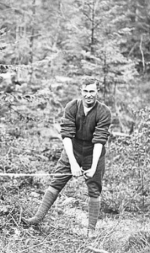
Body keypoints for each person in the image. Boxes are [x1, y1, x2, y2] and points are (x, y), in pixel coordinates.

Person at [23, 80, 112, 232]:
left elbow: (99, 141)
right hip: (73, 150)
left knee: (94, 189)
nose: (88, 95)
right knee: (56, 181)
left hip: (93, 153)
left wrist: (93, 166)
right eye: (85, 91)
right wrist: (73, 162)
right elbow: (66, 135)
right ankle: (37, 218)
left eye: (92, 91)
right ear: (80, 90)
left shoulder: (104, 111)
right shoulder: (72, 106)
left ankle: (91, 230)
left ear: (97, 91)